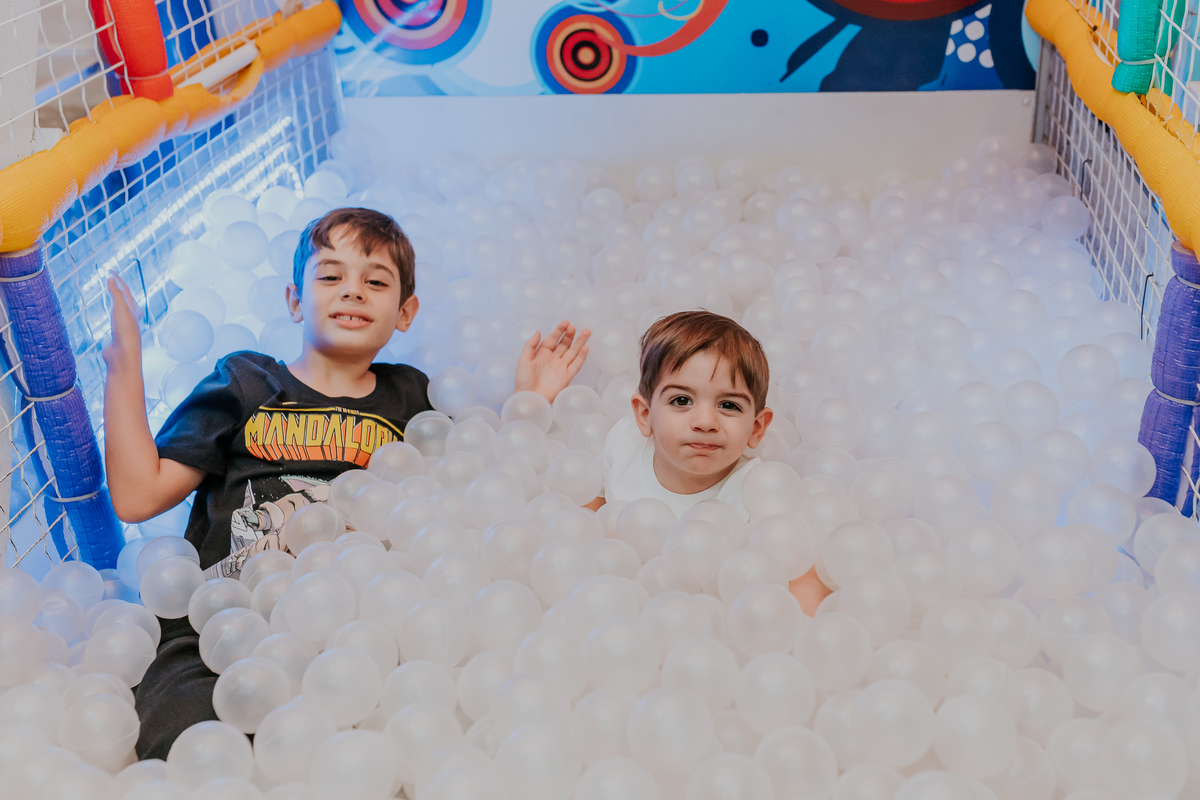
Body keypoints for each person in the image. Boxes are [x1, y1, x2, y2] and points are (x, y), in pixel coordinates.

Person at [102, 206, 589, 759]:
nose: (352, 291)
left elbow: (471, 491)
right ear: (294, 300)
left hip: (356, 630)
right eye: (331, 276)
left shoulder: (411, 398)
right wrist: (123, 369)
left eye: (375, 282)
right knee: (185, 740)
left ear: (405, 312)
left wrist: (530, 404)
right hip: (224, 626)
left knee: (386, 746)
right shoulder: (244, 381)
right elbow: (138, 495)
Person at [584, 310, 831, 615]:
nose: (705, 422)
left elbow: (803, 574)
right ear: (645, 415)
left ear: (756, 428)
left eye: (728, 405)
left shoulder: (758, 493)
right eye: (681, 400)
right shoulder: (624, 446)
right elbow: (591, 506)